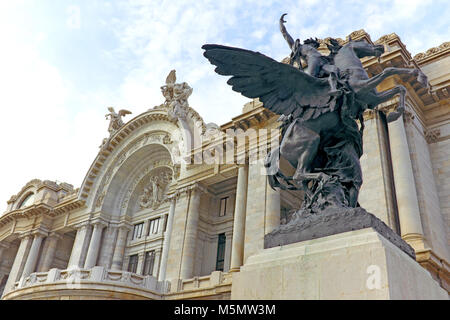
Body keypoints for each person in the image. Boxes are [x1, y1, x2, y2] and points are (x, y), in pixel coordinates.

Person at [279, 14, 341, 96]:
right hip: (313, 60)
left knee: (334, 70)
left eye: (316, 46)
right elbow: (285, 34)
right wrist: (281, 23)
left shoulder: (316, 51)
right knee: (311, 79)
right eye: (315, 44)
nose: (316, 46)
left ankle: (334, 89)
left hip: (322, 61)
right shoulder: (299, 47)